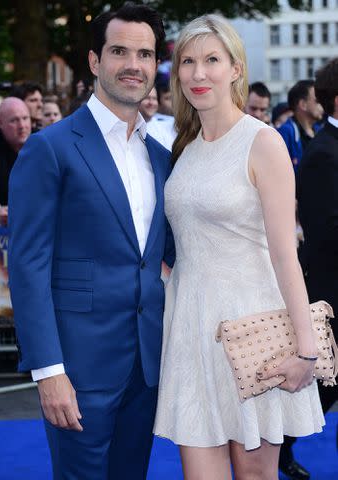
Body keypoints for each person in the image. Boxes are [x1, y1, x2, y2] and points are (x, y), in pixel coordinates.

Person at [153, 14, 324, 480]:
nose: (198, 73)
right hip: (190, 327)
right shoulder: (184, 147)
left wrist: (306, 350)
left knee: (253, 475)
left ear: (235, 68)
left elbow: (285, 254)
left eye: (212, 59)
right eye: (187, 61)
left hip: (252, 328)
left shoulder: (262, 142)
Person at [8, 3, 174, 480]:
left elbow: (172, 256)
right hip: (77, 370)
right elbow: (28, 266)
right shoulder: (50, 148)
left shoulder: (161, 157)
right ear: (95, 61)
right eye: (119, 50)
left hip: (146, 367)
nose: (133, 65)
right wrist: (48, 371)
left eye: (144, 54)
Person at [297, 56, 338, 444]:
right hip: (332, 295)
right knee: (323, 388)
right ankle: (280, 449)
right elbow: (326, 231)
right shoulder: (323, 153)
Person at [278, 80, 323, 174]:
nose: (322, 104)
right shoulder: (285, 133)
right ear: (303, 104)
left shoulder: (321, 131)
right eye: (318, 101)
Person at [0, 97, 31, 225]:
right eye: (14, 121)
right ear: (0, 123)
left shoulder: (43, 141)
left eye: (25, 118)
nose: (22, 126)